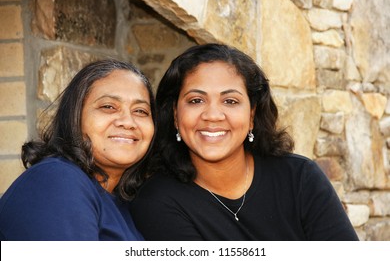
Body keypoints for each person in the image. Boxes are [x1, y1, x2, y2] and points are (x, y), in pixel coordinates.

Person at [130, 43, 359, 241]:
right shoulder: (157, 200)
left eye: (230, 101)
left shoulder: (299, 177)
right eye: (196, 100)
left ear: (251, 115)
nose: (213, 115)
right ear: (175, 116)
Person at [0, 59, 155, 241]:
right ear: (75, 116)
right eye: (108, 107)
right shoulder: (57, 180)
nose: (128, 122)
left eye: (140, 111)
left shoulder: (118, 199)